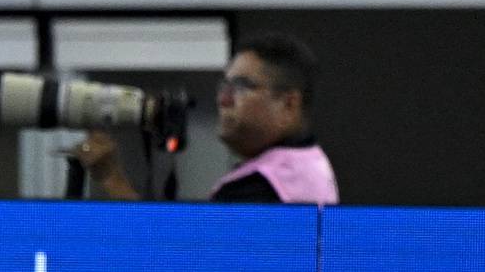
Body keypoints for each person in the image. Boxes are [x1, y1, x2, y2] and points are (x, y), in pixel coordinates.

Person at [67, 33, 339, 203]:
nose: (224, 100)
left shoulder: (264, 188)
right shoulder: (305, 165)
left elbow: (177, 266)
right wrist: (110, 176)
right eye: (224, 86)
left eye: (242, 87)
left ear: (289, 103)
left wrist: (112, 179)